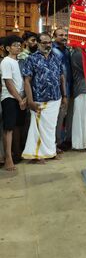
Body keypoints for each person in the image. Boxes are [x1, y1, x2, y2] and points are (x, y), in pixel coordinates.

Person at [22, 32, 67, 163]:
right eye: (44, 43)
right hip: (39, 99)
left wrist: (64, 95)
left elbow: (61, 77)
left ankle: (50, 151)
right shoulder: (31, 59)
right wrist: (30, 100)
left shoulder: (56, 58)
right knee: (38, 129)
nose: (47, 45)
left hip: (55, 98)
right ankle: (38, 155)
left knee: (51, 128)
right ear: (38, 43)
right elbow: (27, 81)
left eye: (49, 43)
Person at [0, 35, 27, 171]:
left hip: (19, 98)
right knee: (9, 128)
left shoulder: (19, 61)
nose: (18, 47)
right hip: (9, 98)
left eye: (19, 44)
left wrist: (24, 98)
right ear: (7, 48)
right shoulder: (6, 61)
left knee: (18, 126)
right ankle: (8, 158)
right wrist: (19, 99)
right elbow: (8, 82)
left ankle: (16, 153)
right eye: (15, 45)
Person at [52, 27, 73, 150]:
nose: (64, 37)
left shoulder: (66, 50)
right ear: (55, 36)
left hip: (68, 88)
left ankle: (60, 140)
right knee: (58, 118)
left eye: (65, 35)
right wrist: (63, 93)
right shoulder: (54, 51)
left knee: (63, 116)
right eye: (60, 35)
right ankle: (55, 143)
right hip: (59, 91)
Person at [71, 47, 86, 151]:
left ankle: (85, 142)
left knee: (84, 116)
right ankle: (82, 143)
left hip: (84, 88)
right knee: (82, 116)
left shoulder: (78, 53)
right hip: (82, 88)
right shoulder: (77, 55)